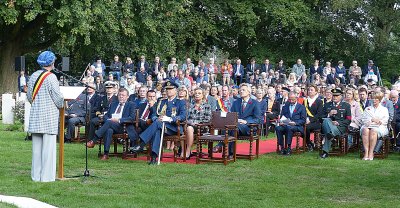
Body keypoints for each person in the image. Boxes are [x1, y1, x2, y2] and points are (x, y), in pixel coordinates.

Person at [27, 51, 64, 182]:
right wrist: (63, 103)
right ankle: (47, 177)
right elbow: (58, 98)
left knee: (36, 150)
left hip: (36, 116)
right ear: (52, 62)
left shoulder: (33, 76)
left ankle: (35, 176)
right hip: (48, 117)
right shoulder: (51, 77)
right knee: (48, 150)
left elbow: (29, 96)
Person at [130, 80, 187, 164]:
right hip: (160, 125)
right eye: (167, 89)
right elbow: (153, 114)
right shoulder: (162, 101)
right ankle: (153, 158)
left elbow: (183, 116)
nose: (168, 91)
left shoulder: (180, 102)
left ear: (175, 90)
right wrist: (155, 119)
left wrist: (169, 119)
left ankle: (141, 144)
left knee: (157, 125)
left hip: (173, 128)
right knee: (157, 130)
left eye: (171, 89)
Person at [93, 88, 138, 160]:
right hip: (111, 125)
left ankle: (94, 139)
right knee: (109, 130)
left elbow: (132, 118)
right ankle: (106, 153)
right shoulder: (114, 104)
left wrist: (119, 120)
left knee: (109, 123)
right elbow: (106, 115)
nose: (121, 96)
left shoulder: (131, 104)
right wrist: (108, 120)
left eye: (123, 95)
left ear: (127, 96)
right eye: (120, 95)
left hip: (124, 127)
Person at [230, 83, 262, 157]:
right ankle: (230, 153)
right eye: (240, 90)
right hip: (236, 127)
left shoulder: (255, 103)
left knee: (232, 128)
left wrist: (246, 121)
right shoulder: (236, 102)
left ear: (249, 92)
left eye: (243, 90)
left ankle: (224, 149)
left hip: (249, 128)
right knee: (231, 128)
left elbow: (258, 119)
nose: (241, 91)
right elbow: (231, 115)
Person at [320, 88, 352, 158]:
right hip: (328, 125)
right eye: (333, 95)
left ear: (341, 96)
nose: (334, 97)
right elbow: (320, 118)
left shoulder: (346, 105)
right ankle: (331, 138)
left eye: (337, 96)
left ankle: (325, 151)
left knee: (328, 132)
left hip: (339, 127)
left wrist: (338, 122)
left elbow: (348, 120)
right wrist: (329, 114)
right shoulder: (327, 105)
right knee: (326, 120)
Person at [86, 81, 118, 148]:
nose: (109, 90)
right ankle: (90, 140)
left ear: (114, 89)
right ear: (105, 89)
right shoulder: (102, 98)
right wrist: (98, 115)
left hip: (111, 117)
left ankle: (97, 140)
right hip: (101, 117)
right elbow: (97, 109)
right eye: (107, 88)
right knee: (92, 121)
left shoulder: (117, 99)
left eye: (110, 88)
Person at [360, 91, 389, 160]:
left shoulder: (384, 109)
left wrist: (379, 121)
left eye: (376, 99)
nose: (374, 100)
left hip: (380, 127)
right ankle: (366, 153)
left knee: (373, 130)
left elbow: (385, 120)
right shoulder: (367, 109)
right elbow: (363, 119)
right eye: (372, 98)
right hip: (368, 125)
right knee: (365, 130)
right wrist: (372, 120)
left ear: (380, 100)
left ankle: (371, 152)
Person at [185, 88, 212, 159]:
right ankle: (188, 150)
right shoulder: (190, 105)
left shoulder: (207, 105)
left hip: (202, 127)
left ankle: (187, 151)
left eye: (199, 93)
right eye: (196, 93)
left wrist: (196, 123)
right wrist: (191, 123)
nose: (197, 94)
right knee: (189, 128)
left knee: (189, 128)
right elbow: (187, 118)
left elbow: (207, 119)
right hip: (191, 126)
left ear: (203, 95)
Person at [304, 85, 323, 151]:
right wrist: (306, 119)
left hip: (316, 121)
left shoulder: (319, 101)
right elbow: (303, 112)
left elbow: (319, 114)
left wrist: (310, 120)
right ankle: (309, 143)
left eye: (312, 90)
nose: (310, 91)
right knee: (302, 127)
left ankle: (308, 144)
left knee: (307, 127)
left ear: (316, 92)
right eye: (309, 90)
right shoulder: (305, 101)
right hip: (306, 120)